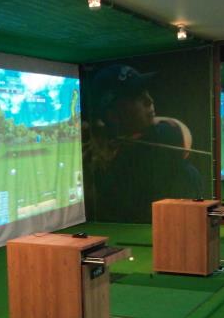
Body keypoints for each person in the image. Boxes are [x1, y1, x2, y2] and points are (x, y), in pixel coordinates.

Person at [85, 65, 202, 222]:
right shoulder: (103, 163)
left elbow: (179, 131)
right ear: (113, 113)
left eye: (146, 93)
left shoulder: (161, 135)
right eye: (137, 97)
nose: (149, 101)